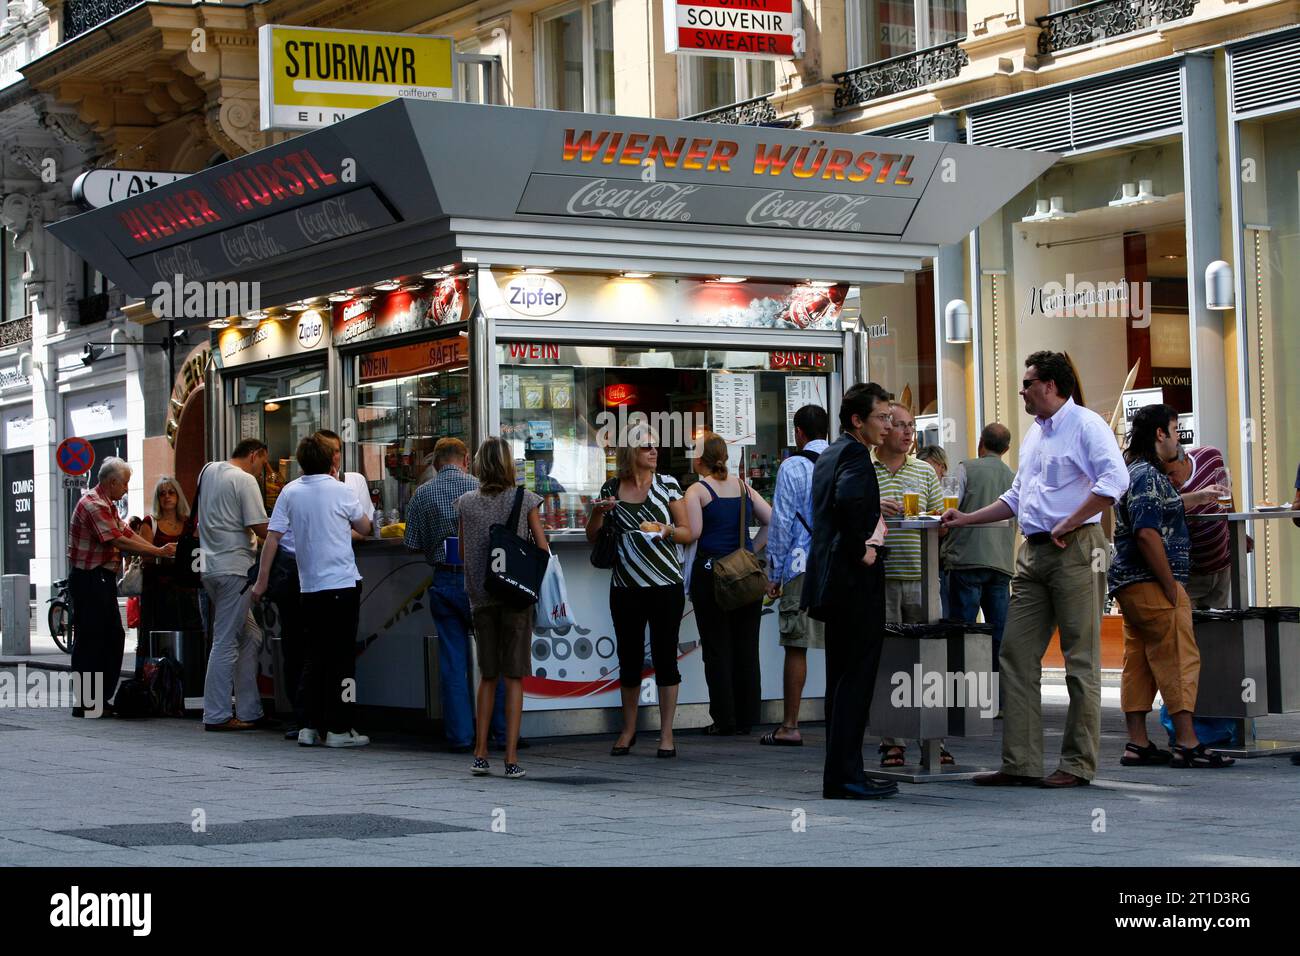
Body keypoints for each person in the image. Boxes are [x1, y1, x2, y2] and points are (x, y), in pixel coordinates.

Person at [943, 351, 1129, 788]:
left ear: (1050, 385)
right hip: (1033, 552)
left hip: (1076, 546)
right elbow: (1016, 496)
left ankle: (1077, 764)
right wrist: (967, 518)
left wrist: (1071, 519)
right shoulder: (1035, 435)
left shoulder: (1085, 425)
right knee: (1015, 653)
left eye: (1027, 383)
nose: (1022, 391)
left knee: (1080, 658)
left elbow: (1114, 481)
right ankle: (1020, 761)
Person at [1109, 405, 1233, 770]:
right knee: (1179, 656)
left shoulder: (1135, 471)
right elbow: (1147, 531)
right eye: (1175, 430)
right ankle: (1188, 742)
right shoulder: (1148, 475)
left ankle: (1138, 743)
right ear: (1160, 434)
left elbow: (1159, 509)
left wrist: (1197, 498)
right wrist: (1170, 585)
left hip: (1129, 585)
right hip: (1152, 582)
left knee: (1140, 662)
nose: (1179, 439)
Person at [803, 382, 898, 800]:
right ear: (858, 420)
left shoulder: (829, 453)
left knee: (841, 680)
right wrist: (863, 549)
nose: (889, 425)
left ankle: (845, 771)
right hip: (853, 585)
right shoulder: (856, 454)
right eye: (881, 417)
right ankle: (846, 776)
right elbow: (845, 503)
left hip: (831, 584)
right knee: (855, 681)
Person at [252, 434, 372, 747]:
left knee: (313, 657)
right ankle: (340, 727)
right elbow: (365, 528)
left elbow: (273, 539)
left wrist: (261, 581)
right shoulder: (342, 490)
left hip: (309, 587)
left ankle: (308, 724)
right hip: (343, 585)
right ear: (329, 459)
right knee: (343, 659)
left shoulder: (290, 492)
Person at [586, 424, 690, 758]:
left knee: (665, 658)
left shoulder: (668, 486)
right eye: (646, 447)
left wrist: (667, 530)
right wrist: (597, 513)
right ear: (632, 451)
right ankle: (628, 730)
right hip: (626, 586)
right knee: (628, 659)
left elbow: (689, 532)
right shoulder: (612, 487)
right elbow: (593, 536)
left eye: (655, 446)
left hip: (665, 585)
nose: (653, 451)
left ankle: (667, 734)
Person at [404, 437, 512, 754]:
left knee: (453, 662)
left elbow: (411, 543)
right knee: (494, 659)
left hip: (445, 581)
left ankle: (461, 736)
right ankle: (504, 732)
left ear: (436, 462)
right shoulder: (482, 488)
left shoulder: (421, 494)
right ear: (466, 459)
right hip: (481, 581)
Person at [457, 437, 550, 779]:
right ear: (510, 465)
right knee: (514, 677)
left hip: (482, 597)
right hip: (516, 596)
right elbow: (542, 547)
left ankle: (480, 753)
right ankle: (510, 758)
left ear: (480, 466)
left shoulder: (465, 502)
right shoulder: (526, 499)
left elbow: (464, 553)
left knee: (488, 676)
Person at [67, 458, 177, 717]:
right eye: (125, 483)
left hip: (100, 580)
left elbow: (126, 532)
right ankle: (87, 703)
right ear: (112, 481)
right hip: (89, 579)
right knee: (92, 640)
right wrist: (156, 550)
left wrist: (156, 551)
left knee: (110, 637)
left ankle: (98, 699)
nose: (126, 488)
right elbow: (118, 540)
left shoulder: (107, 505)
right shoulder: (93, 505)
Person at [683, 432, 772, 737]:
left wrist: (670, 531)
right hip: (745, 575)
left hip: (712, 576)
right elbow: (772, 519)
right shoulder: (744, 487)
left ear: (698, 459)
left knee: (717, 649)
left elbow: (693, 532)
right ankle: (748, 717)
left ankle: (724, 719)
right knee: (747, 647)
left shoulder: (697, 491)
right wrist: (751, 550)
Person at [873, 403, 947, 767]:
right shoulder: (866, 470)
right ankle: (892, 740)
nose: (907, 433)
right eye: (900, 426)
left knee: (929, 658)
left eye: (911, 427)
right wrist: (875, 508)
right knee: (888, 658)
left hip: (922, 575)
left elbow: (940, 519)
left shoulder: (924, 472)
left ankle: (934, 738)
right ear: (884, 430)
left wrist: (934, 519)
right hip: (882, 578)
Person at [761, 404, 831, 747]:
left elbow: (782, 522)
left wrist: (773, 572)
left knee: (796, 645)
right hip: (839, 565)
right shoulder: (843, 459)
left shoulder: (793, 466)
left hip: (801, 565)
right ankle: (842, 719)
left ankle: (790, 725)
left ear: (798, 433)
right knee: (840, 645)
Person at [199, 438, 272, 732]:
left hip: (211, 568)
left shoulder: (208, 471)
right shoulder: (244, 480)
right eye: (262, 464)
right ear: (254, 455)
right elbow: (259, 526)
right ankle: (216, 714)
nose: (261, 472)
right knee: (225, 641)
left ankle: (249, 709)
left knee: (250, 637)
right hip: (235, 570)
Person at [943, 423, 1016, 681]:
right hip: (1001, 563)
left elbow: (946, 506)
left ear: (980, 443)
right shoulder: (1013, 477)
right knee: (999, 633)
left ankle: (962, 693)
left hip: (966, 559)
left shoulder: (964, 468)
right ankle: (997, 695)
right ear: (1006, 449)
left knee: (963, 629)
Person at [134, 477, 203, 675]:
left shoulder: (189, 523)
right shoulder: (150, 522)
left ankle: (186, 676)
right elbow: (145, 554)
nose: (167, 497)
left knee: (186, 633)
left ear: (178, 495)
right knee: (154, 635)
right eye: (162, 493)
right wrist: (162, 553)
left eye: (171, 492)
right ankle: (151, 680)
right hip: (157, 591)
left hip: (184, 590)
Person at [1164, 444, 1234, 609]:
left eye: (1172, 473)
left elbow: (1226, 491)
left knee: (1219, 628)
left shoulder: (1211, 456)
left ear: (1185, 460)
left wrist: (1235, 528)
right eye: (1165, 475)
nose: (1170, 480)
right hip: (1191, 576)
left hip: (1221, 564)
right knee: (1189, 629)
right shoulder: (1167, 489)